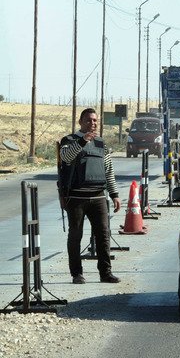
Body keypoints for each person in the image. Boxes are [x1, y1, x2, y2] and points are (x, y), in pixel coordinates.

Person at [59, 108, 121, 284]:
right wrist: (82, 142)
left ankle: (105, 273)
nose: (92, 124)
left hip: (99, 197)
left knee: (103, 235)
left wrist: (114, 194)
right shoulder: (69, 140)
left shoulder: (101, 143)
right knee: (75, 235)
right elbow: (65, 157)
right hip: (76, 198)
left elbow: (108, 171)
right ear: (80, 122)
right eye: (88, 120)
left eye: (94, 121)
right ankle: (76, 274)